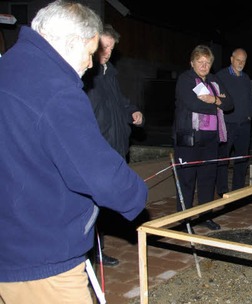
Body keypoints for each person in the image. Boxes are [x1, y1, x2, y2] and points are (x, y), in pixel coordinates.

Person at [0, 1, 148, 302]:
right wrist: (135, 194)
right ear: (70, 43)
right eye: (90, 53)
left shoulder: (10, 66)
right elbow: (98, 174)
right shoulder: (56, 90)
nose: (91, 64)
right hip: (41, 258)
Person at [83, 24, 144, 267]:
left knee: (103, 206)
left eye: (111, 48)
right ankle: (90, 254)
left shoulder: (109, 72)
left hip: (116, 147)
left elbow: (120, 103)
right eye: (104, 46)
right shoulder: (86, 74)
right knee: (92, 206)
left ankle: (98, 249)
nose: (107, 52)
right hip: (97, 150)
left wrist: (133, 112)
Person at [173, 45, 233, 231]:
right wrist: (218, 102)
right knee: (187, 180)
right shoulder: (185, 80)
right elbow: (192, 104)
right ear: (192, 63)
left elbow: (230, 104)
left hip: (211, 139)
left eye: (207, 62)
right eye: (200, 62)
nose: (204, 66)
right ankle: (185, 220)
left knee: (208, 179)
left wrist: (213, 100)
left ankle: (206, 216)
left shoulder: (215, 80)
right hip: (189, 137)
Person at [216, 48, 252, 195]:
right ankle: (222, 190)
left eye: (243, 61)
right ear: (231, 59)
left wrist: (250, 115)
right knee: (223, 159)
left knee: (242, 159)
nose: (241, 63)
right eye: (238, 60)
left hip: (244, 125)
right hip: (227, 124)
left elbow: (251, 98)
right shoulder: (221, 76)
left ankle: (237, 190)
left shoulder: (245, 78)